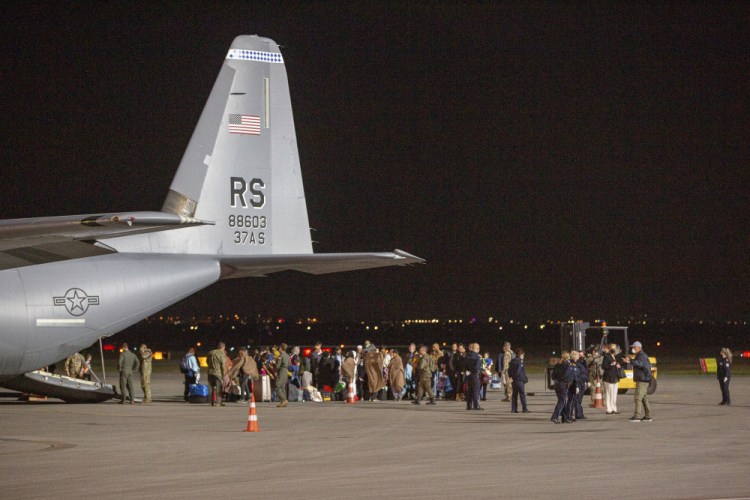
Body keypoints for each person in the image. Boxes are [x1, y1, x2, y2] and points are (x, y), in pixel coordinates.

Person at [623, 341, 652, 422]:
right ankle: (648, 416)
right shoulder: (640, 355)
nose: (633, 349)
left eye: (634, 347)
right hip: (644, 379)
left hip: (642, 380)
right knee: (643, 398)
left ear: (639, 347)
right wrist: (631, 359)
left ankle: (637, 416)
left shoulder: (641, 355)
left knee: (637, 398)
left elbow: (639, 363)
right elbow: (639, 363)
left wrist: (629, 361)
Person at [550, 352, 573, 423]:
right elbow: (567, 375)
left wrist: (557, 379)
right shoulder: (568, 365)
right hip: (563, 384)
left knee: (562, 401)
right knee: (562, 401)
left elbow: (553, 376)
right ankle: (554, 416)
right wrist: (566, 381)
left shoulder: (557, 365)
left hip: (557, 384)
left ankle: (565, 417)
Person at [601, 344, 621, 414]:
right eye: (613, 348)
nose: (614, 349)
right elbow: (603, 366)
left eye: (615, 348)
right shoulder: (607, 356)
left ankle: (614, 408)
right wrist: (611, 364)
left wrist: (618, 366)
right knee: (609, 393)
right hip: (608, 378)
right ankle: (609, 409)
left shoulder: (615, 356)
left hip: (615, 377)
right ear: (609, 349)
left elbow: (617, 364)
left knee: (614, 393)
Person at [508, 348, 529, 413]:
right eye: (523, 355)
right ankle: (524, 409)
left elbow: (509, 370)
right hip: (519, 380)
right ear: (521, 354)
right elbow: (518, 371)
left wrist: (511, 377)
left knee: (514, 395)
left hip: (514, 381)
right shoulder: (520, 361)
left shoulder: (512, 361)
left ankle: (514, 409)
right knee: (522, 394)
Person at [207, 341, 227, 407]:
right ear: (223, 347)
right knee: (219, 388)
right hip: (218, 373)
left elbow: (207, 361)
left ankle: (211, 402)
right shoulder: (222, 354)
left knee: (211, 388)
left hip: (210, 372)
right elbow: (223, 365)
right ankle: (218, 403)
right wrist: (224, 375)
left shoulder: (211, 352)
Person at [465, 343, 483, 410]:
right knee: (476, 390)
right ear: (477, 349)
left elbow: (465, 365)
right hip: (475, 374)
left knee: (470, 390)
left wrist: (468, 371)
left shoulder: (467, 356)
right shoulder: (477, 357)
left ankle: (469, 405)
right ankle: (476, 405)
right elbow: (477, 367)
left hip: (469, 375)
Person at [565, 351, 582, 421]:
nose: (579, 357)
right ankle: (568, 416)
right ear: (574, 356)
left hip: (574, 384)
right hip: (571, 385)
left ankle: (570, 415)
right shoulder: (570, 364)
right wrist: (575, 385)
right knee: (570, 401)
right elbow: (572, 376)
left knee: (572, 400)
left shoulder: (575, 364)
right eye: (578, 355)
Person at [275, 343, 290, 407]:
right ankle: (284, 401)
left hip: (282, 370)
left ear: (281, 348)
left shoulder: (281, 355)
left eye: (279, 348)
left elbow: (278, 366)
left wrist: (275, 363)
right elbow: (289, 364)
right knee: (283, 386)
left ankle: (283, 400)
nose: (279, 349)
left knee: (277, 385)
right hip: (286, 370)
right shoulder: (287, 355)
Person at [574, 351, 588, 419]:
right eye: (580, 355)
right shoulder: (576, 363)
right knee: (577, 399)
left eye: (582, 355)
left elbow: (586, 372)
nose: (581, 357)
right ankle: (578, 414)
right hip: (579, 382)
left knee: (580, 399)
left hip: (583, 381)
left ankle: (580, 414)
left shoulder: (583, 363)